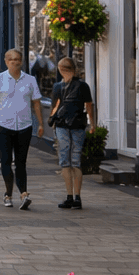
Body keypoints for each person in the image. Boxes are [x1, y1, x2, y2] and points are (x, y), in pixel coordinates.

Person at [0, 48, 45, 210]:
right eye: (12, 59)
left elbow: (36, 103)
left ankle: (24, 194)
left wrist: (41, 124)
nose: (15, 62)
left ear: (22, 61)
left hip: (24, 126)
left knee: (21, 162)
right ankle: (8, 193)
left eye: (18, 59)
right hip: (3, 125)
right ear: (6, 61)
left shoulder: (30, 80)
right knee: (5, 162)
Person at [48, 57, 95, 211]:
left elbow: (55, 107)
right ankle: (77, 197)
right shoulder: (83, 86)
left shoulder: (57, 87)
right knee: (76, 161)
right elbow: (89, 106)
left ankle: (69, 196)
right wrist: (92, 124)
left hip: (62, 125)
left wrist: (51, 119)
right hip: (78, 125)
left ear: (61, 69)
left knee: (65, 161)